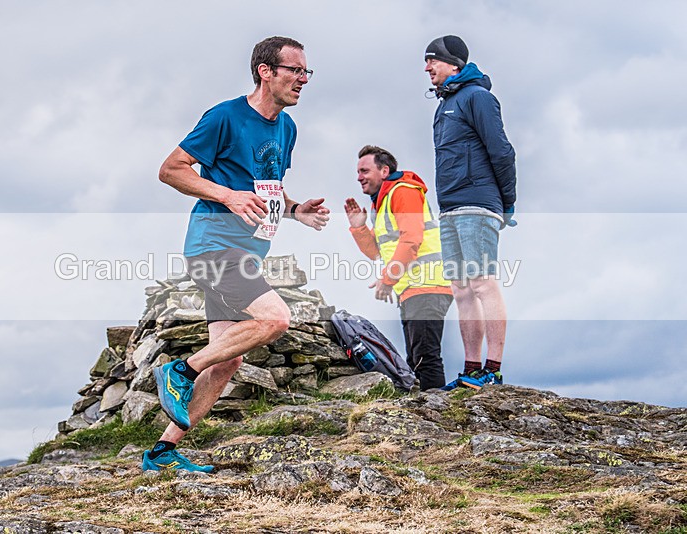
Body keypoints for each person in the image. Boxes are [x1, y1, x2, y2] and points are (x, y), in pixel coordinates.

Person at [141, 36, 329, 473]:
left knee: (228, 360)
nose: (303, 79)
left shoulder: (287, 128)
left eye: (307, 72)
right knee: (275, 319)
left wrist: (297, 210)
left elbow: (267, 184)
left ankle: (162, 453)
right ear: (266, 71)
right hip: (213, 246)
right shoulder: (225, 117)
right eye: (295, 70)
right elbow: (171, 169)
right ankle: (180, 372)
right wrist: (227, 196)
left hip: (248, 252)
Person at [424, 35, 517, 391]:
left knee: (481, 283)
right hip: (449, 207)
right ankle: (472, 369)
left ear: (454, 64)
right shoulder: (444, 104)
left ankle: (493, 370)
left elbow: (502, 151)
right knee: (461, 290)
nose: (428, 68)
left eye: (433, 60)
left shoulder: (478, 97)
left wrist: (507, 203)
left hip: (478, 203)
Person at [344, 146, 453, 390]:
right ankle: (426, 413)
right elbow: (377, 252)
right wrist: (359, 227)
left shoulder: (403, 191)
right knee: (416, 359)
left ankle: (436, 415)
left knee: (425, 358)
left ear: (384, 170)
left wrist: (388, 279)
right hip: (412, 289)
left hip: (427, 284)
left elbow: (411, 240)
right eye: (357, 172)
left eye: (364, 170)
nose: (359, 177)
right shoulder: (382, 203)